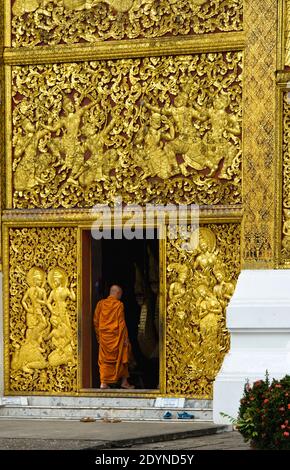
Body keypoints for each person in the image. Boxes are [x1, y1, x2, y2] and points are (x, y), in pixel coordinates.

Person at [93, 285, 134, 389]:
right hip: (117, 338)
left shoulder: (100, 304)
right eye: (121, 294)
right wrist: (125, 339)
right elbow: (121, 323)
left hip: (104, 338)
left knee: (104, 361)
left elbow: (96, 321)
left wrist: (99, 336)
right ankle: (124, 382)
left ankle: (103, 383)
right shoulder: (119, 305)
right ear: (118, 293)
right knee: (123, 356)